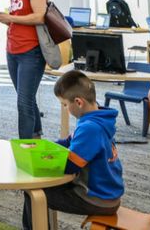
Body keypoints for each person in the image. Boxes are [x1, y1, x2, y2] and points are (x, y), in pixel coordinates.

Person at [22, 70, 123, 229]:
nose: (65, 108)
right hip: (107, 192)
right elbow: (68, 141)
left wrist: (41, 160)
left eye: (65, 104)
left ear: (78, 102)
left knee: (32, 191)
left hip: (96, 199)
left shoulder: (90, 128)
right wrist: (43, 147)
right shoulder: (99, 118)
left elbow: (70, 165)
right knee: (41, 187)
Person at [0, 0, 47, 139]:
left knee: (23, 102)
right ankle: (36, 135)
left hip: (31, 52)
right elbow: (19, 22)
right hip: (13, 50)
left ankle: (25, 145)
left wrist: (12, 18)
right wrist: (5, 19)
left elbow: (39, 17)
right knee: (26, 98)